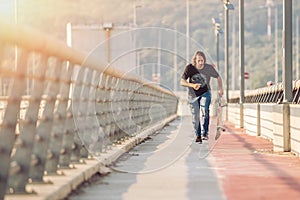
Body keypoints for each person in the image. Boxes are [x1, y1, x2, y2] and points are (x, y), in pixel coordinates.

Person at [181, 51, 223, 143]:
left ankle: (205, 133)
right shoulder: (190, 68)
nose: (201, 63)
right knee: (195, 115)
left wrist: (220, 89)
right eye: (199, 61)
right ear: (195, 60)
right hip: (193, 94)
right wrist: (192, 85)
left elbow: (218, 77)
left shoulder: (208, 68)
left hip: (205, 92)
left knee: (205, 111)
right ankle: (198, 135)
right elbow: (182, 81)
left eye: (202, 60)